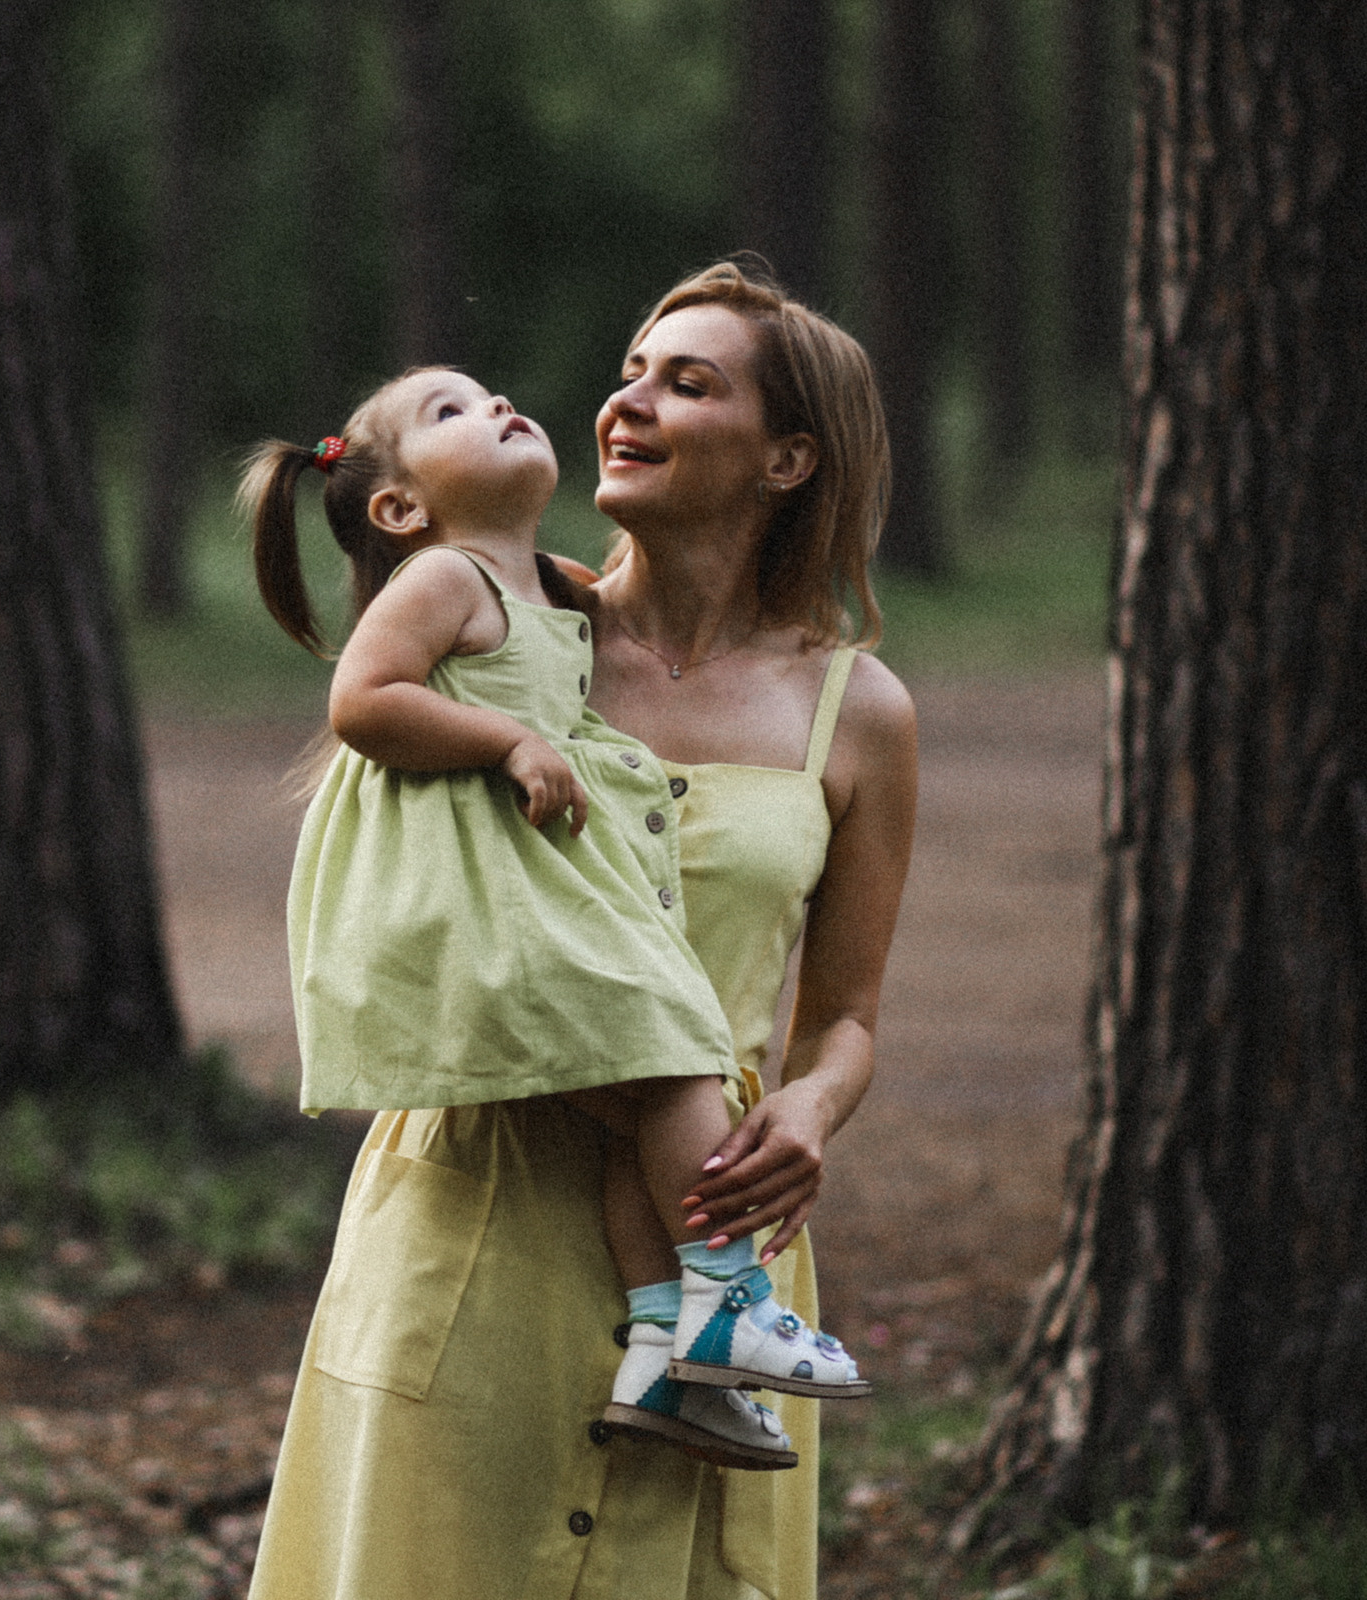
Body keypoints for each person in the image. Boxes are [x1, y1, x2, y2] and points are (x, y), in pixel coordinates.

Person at [250, 262, 917, 1600]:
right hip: (479, 1213)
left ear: (789, 457)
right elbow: (365, 717)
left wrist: (810, 1111)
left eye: (689, 381)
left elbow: (845, 1015)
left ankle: (700, 1350)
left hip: (710, 1229)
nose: (629, 401)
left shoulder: (861, 713)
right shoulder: (496, 621)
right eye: (628, 370)